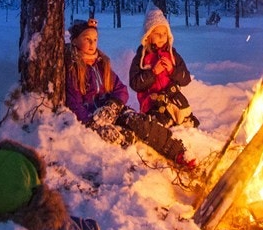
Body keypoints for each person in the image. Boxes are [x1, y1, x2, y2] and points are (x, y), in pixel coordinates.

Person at [65, 19, 193, 170]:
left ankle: (178, 152)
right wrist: (92, 124)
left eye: (95, 39)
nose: (93, 44)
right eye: (87, 39)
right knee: (118, 138)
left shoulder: (101, 64)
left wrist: (113, 105)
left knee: (142, 124)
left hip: (113, 110)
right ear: (74, 41)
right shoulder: (72, 70)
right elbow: (74, 103)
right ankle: (141, 162)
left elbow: (121, 89)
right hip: (94, 118)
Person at [129, 8, 196, 128]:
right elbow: (135, 84)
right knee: (160, 124)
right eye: (157, 33)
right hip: (151, 103)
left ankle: (185, 124)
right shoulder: (141, 58)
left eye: (164, 33)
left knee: (187, 119)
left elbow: (186, 79)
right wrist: (153, 73)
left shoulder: (172, 55)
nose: (161, 36)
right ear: (148, 35)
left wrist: (172, 70)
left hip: (172, 100)